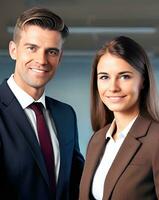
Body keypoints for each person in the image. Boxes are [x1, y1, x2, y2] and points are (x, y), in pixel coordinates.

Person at [79, 36, 159, 200]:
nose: (113, 87)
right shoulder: (97, 139)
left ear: (143, 81)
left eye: (124, 76)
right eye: (104, 77)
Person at [0, 7, 84, 199]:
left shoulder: (66, 114)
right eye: (32, 48)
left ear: (60, 58)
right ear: (13, 50)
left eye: (51, 52)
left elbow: (77, 182)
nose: (42, 60)